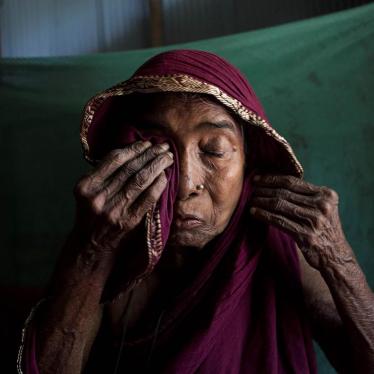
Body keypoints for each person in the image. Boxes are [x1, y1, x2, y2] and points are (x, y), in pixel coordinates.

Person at [18, 50, 373, 374]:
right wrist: (90, 251)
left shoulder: (280, 246)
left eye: (215, 151)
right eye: (159, 148)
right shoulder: (111, 248)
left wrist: (339, 260)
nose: (187, 184)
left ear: (250, 162)